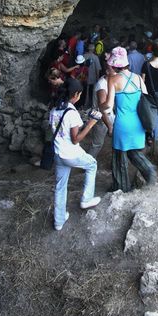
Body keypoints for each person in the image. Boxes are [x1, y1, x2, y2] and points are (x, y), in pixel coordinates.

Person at [50, 78, 102, 231]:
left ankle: (59, 221)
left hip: (58, 154)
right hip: (71, 154)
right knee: (92, 165)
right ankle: (86, 199)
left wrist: (84, 121)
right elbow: (75, 139)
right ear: (76, 94)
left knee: (60, 187)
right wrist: (92, 123)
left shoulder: (54, 110)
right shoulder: (71, 112)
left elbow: (62, 131)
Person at [103, 47, 156, 192]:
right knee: (133, 151)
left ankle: (121, 187)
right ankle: (149, 170)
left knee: (119, 156)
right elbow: (145, 98)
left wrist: (100, 107)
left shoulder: (112, 79)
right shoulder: (138, 78)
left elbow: (108, 105)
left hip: (123, 123)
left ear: (114, 64)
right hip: (138, 122)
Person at [141, 41, 158, 143]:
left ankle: (148, 135)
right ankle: (155, 136)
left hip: (148, 92)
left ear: (152, 51)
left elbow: (142, 80)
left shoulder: (146, 65)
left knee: (148, 114)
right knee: (157, 115)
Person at [87, 65, 115, 158]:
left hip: (108, 115)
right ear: (107, 71)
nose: (116, 71)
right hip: (101, 117)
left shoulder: (109, 82)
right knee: (97, 144)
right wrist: (110, 126)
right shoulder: (102, 85)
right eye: (113, 69)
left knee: (98, 143)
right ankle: (88, 165)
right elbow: (102, 109)